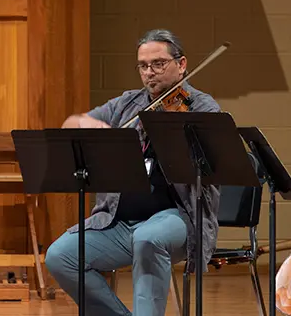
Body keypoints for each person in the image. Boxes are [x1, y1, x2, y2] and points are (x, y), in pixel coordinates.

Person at [44, 29, 222, 316]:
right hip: (119, 221)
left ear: (182, 64)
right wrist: (93, 127)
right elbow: (73, 122)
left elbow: (214, 164)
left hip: (178, 219)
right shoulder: (129, 104)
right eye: (143, 66)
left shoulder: (202, 107)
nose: (150, 73)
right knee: (60, 256)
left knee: (148, 238)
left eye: (159, 64)